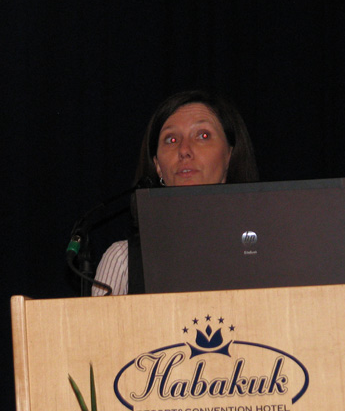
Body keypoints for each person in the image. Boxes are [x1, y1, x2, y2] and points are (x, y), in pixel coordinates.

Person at [92, 90, 259, 295]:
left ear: (229, 156)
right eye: (171, 140)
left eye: (203, 136)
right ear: (158, 166)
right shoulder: (123, 261)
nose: (184, 150)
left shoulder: (266, 251)